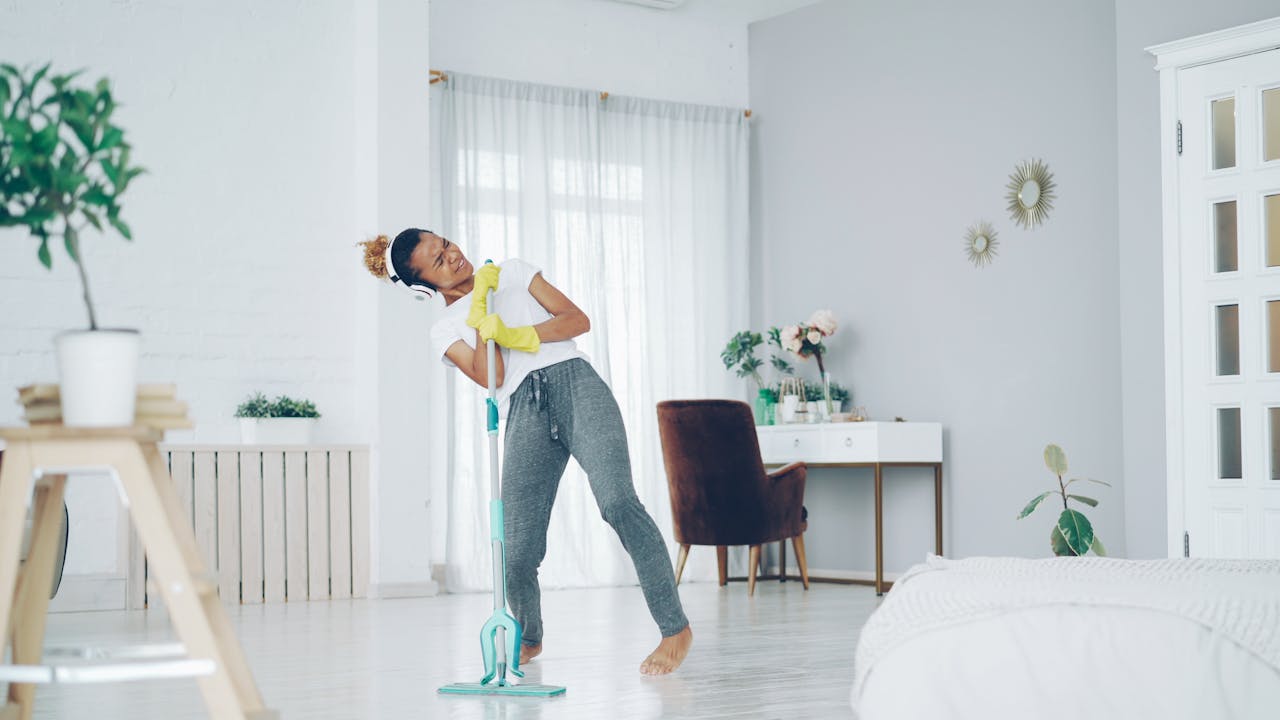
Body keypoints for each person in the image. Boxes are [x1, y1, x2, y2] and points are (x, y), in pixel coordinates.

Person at [359, 228, 693, 675]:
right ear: (424, 287)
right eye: (439, 261)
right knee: (515, 551)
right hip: (524, 408)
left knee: (617, 502)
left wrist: (515, 331)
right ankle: (530, 637)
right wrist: (480, 316)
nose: (454, 256)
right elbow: (489, 373)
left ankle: (674, 629)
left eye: (446, 245)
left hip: (576, 383)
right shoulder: (444, 329)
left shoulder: (512, 273)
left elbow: (576, 321)